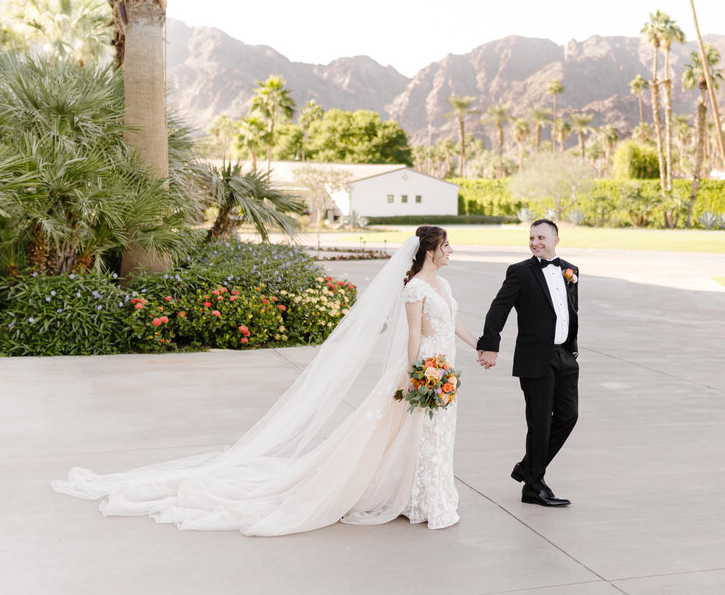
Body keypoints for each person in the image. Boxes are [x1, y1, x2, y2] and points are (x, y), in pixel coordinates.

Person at [51, 226, 481, 535]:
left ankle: (423, 495)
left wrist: (478, 343)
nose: (450, 251)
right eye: (445, 245)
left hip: (444, 369)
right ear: (429, 250)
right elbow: (413, 334)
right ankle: (418, 498)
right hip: (424, 370)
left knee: (435, 434)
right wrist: (414, 375)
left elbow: (452, 323)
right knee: (414, 433)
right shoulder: (414, 290)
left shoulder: (441, 285)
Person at [477, 218, 579, 508]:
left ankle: (527, 468)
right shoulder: (520, 272)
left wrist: (572, 350)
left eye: (541, 238)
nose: (535, 242)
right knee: (539, 424)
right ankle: (533, 486)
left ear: (556, 240)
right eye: (532, 238)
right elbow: (499, 308)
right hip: (536, 358)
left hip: (565, 357)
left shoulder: (571, 271)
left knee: (568, 416)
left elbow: (570, 312)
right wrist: (489, 345)